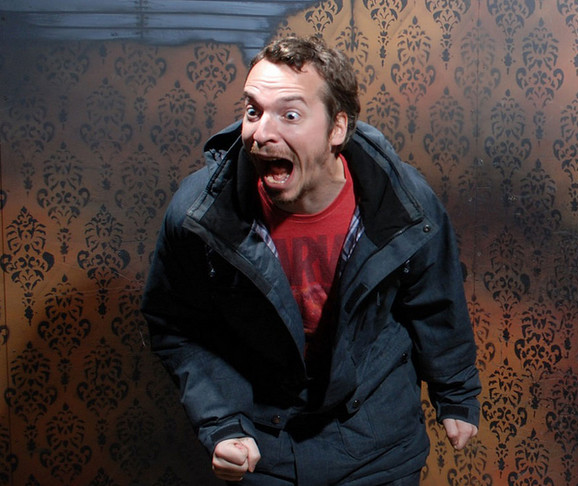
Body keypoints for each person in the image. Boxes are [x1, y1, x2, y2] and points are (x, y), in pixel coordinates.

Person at [141, 35, 481, 486]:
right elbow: (178, 325)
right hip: (263, 448)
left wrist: (455, 392)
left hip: (377, 447)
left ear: (337, 128)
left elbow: (435, 300)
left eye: (290, 115)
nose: (261, 133)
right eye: (253, 111)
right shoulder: (200, 212)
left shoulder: (402, 202)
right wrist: (222, 421)